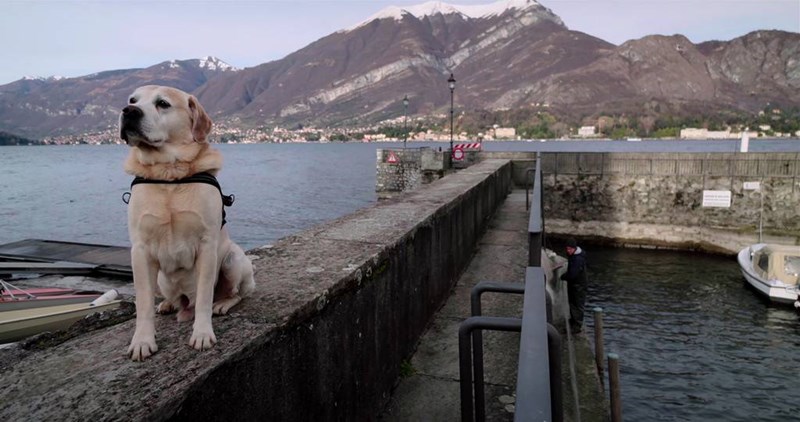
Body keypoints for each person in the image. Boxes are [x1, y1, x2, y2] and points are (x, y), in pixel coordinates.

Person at [560, 237, 588, 333]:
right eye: (567, 249)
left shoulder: (577, 259)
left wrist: (564, 276)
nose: (568, 251)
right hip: (576, 285)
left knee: (577, 305)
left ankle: (577, 326)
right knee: (573, 304)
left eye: (570, 249)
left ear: (574, 248)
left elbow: (572, 274)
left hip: (578, 286)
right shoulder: (577, 255)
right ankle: (573, 320)